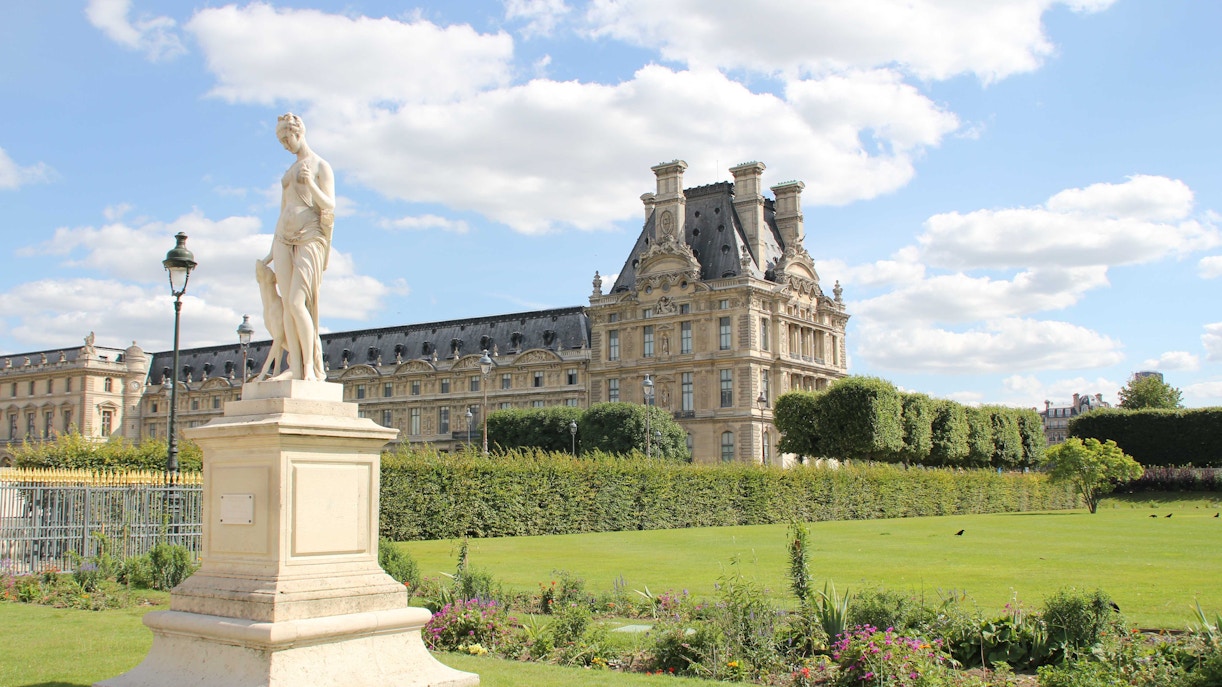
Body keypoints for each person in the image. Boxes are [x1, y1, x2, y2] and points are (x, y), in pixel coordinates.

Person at [262, 113, 334, 381]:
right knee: (288, 308)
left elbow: (329, 205)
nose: (284, 144)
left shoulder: (320, 165)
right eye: (281, 140)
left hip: (309, 236)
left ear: (298, 132)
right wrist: (270, 252)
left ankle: (310, 369)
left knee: (296, 302)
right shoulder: (288, 171)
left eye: (286, 138)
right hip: (283, 237)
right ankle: (294, 366)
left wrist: (312, 183)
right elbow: (282, 209)